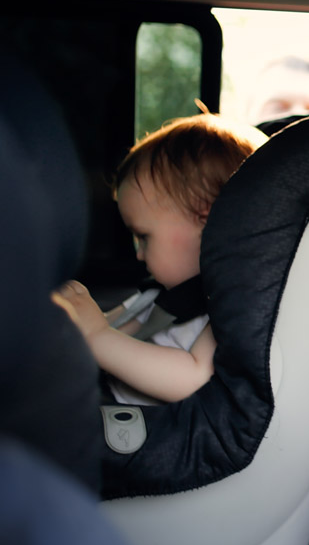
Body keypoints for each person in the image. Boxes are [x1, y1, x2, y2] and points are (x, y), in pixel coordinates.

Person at [53, 111, 267, 406]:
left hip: (151, 436)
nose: (138, 254)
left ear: (211, 225)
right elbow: (114, 327)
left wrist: (96, 337)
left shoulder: (230, 307)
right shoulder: (160, 295)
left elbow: (196, 378)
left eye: (144, 237)